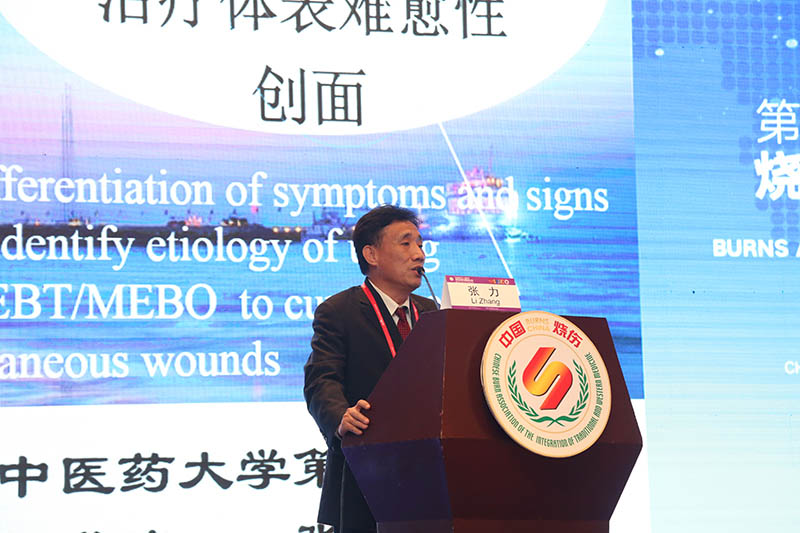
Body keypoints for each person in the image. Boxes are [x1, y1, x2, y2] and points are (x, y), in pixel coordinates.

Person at [303, 205, 438, 533]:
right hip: (366, 474)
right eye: (406, 243)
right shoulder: (339, 311)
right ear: (371, 254)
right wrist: (340, 416)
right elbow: (321, 379)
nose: (419, 254)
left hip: (432, 475)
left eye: (420, 244)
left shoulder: (433, 312)